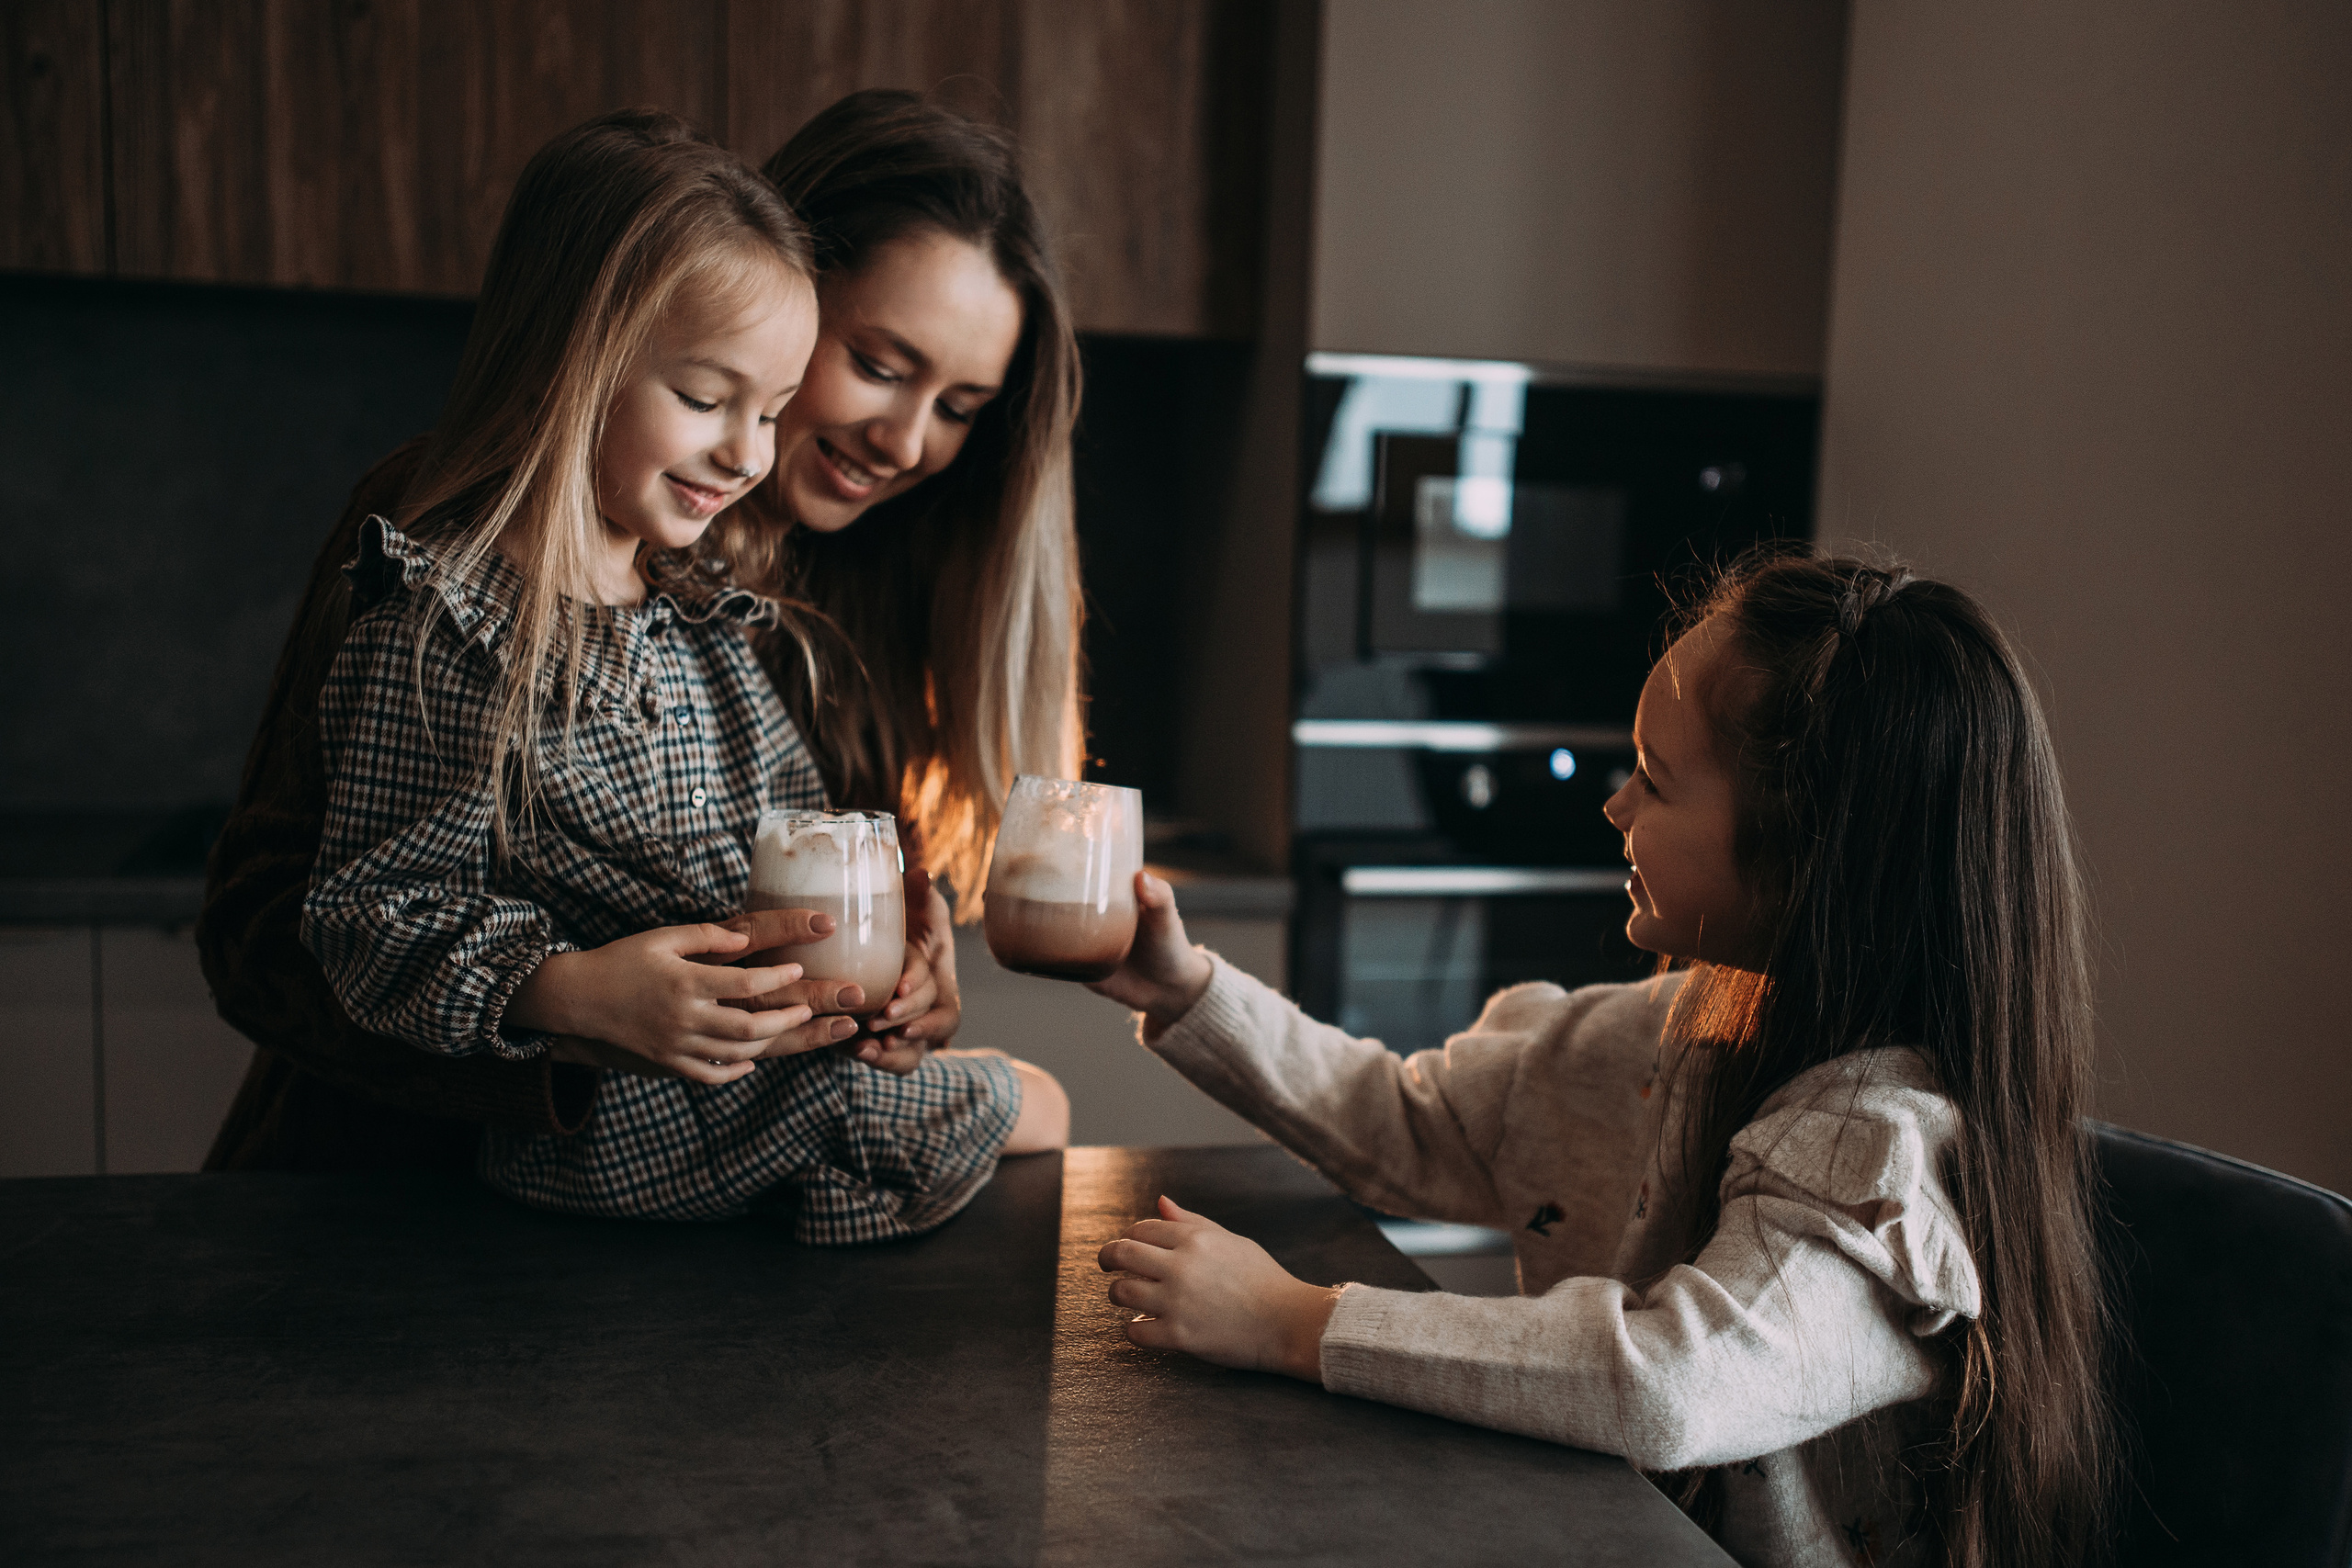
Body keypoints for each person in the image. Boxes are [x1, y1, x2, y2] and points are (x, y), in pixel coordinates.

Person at [1088, 553, 2115, 1566]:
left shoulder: (1878, 1155)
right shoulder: (1648, 1037)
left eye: (1655, 783)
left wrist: (1291, 1322)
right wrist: (1187, 992)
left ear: (1808, 850)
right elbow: (1412, 1125)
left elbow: (1672, 1384)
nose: (1616, 807)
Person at [198, 90, 1080, 1173]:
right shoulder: (468, 549)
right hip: (386, 1202)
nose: (904, 440)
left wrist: (895, 981)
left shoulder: (847, 593)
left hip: (682, 1256)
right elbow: (266, 937)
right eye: (881, 364)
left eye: (958, 407)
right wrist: (570, 1017)